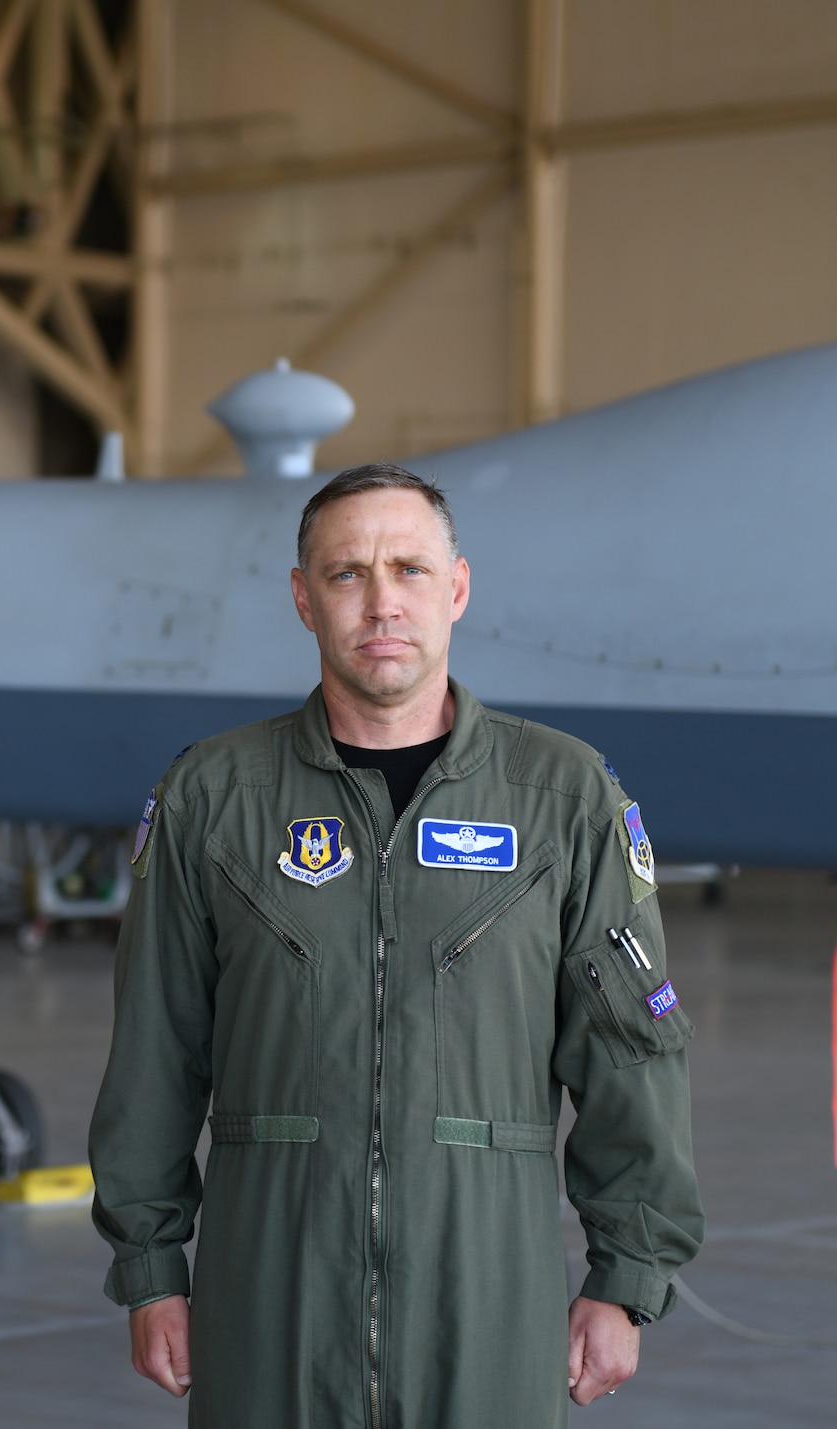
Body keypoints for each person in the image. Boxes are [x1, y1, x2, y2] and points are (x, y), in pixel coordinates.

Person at [89, 464, 703, 1428]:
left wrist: (625, 1276)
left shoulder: (563, 798)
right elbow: (155, 1052)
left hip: (487, 1301)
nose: (382, 602)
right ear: (302, 597)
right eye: (346, 574)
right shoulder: (214, 798)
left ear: (457, 586)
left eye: (410, 569)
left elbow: (630, 1054)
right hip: (270, 1299)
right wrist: (150, 1264)